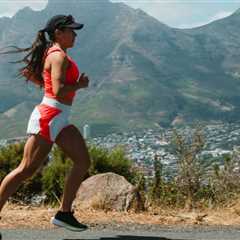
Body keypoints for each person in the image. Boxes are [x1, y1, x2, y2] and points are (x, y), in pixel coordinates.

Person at [0, 14, 91, 231]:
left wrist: (42, 80)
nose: (75, 34)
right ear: (58, 33)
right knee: (25, 170)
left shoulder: (55, 54)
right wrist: (80, 85)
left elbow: (50, 84)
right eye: (71, 30)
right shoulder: (58, 56)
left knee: (82, 162)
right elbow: (58, 91)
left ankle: (64, 213)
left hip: (59, 117)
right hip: (49, 117)